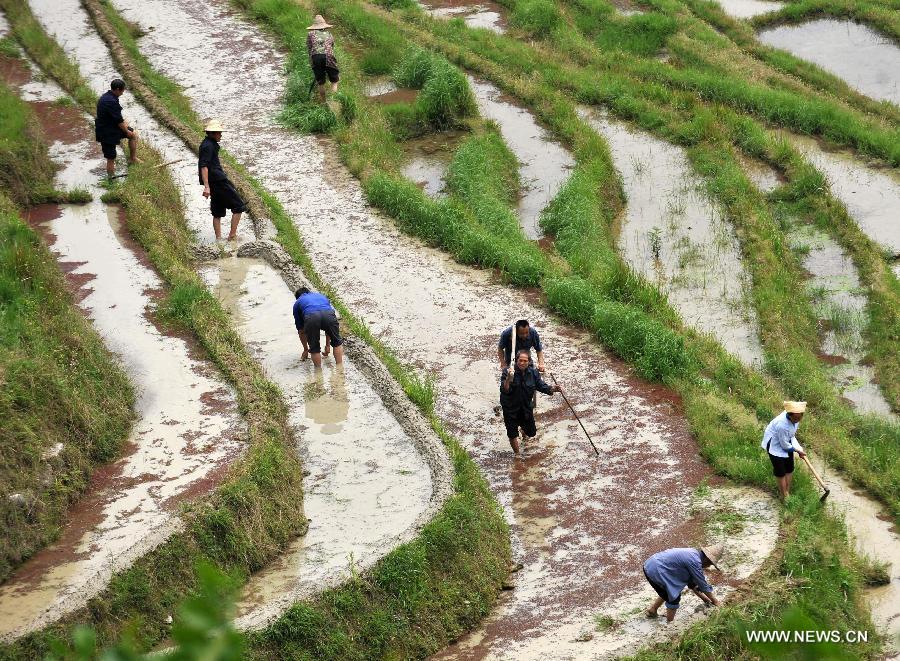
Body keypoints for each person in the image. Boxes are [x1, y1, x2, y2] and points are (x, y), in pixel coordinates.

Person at [499, 350, 561, 454]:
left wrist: (554, 389)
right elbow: (505, 389)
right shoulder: (507, 371)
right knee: (512, 434)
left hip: (525, 407)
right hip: (510, 408)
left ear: (529, 362)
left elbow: (541, 386)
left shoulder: (533, 373)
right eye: (520, 360)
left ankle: (523, 433)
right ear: (516, 361)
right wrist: (508, 379)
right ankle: (517, 455)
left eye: (525, 361)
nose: (522, 363)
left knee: (531, 433)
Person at [643, 545, 722, 622]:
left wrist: (707, 601)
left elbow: (693, 585)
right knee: (674, 597)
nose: (708, 566)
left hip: (650, 564)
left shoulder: (693, 554)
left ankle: (652, 610)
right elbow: (702, 584)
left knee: (670, 590)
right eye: (710, 564)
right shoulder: (695, 561)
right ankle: (670, 624)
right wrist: (715, 601)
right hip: (655, 569)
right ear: (707, 559)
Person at [198, 119, 246, 241]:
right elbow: (204, 166)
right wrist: (207, 186)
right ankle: (232, 235)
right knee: (239, 206)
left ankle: (219, 239)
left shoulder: (208, 144)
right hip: (218, 181)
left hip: (215, 181)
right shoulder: (208, 146)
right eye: (219, 133)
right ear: (213, 133)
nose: (221, 135)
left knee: (217, 211)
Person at [762, 401, 807, 499]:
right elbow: (785, 446)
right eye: (795, 418)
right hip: (774, 445)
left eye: (800, 418)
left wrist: (799, 449)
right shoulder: (782, 425)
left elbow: (791, 436)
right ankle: (784, 495)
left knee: (789, 468)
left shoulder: (795, 419)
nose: (798, 420)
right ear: (789, 415)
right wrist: (797, 451)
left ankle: (787, 491)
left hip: (784, 441)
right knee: (780, 471)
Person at [95, 79, 139, 178]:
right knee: (111, 158)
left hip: (111, 127)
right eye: (122, 91)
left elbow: (116, 118)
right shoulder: (111, 101)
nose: (123, 93)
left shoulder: (108, 96)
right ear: (118, 90)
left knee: (133, 135)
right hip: (106, 132)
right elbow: (119, 121)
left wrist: (127, 129)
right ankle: (111, 179)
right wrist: (126, 131)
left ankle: (133, 159)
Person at [293, 287, 344, 368]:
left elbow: (301, 331)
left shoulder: (297, 303)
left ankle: (318, 374)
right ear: (309, 292)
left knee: (314, 348)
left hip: (311, 317)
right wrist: (328, 346)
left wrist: (306, 350)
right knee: (337, 343)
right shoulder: (321, 296)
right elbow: (328, 330)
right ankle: (340, 369)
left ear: (298, 297)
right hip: (329, 314)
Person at [306, 15, 339, 103]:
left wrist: (312, 62)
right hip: (328, 56)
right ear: (324, 25)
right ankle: (333, 101)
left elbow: (309, 48)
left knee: (320, 82)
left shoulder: (310, 34)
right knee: (334, 80)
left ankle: (323, 102)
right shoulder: (329, 34)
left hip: (316, 57)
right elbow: (332, 46)